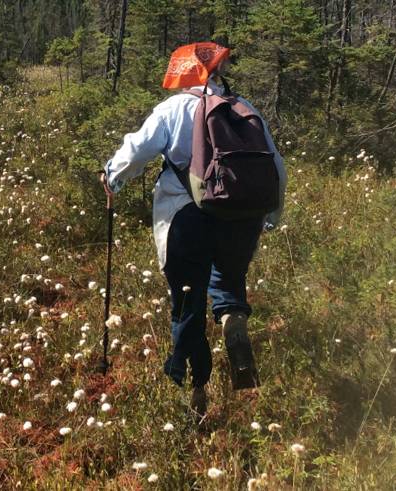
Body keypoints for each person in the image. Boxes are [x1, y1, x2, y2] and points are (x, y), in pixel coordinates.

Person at [101, 41, 286, 418]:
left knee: (187, 302)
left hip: (186, 217)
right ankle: (233, 317)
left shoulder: (174, 109)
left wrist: (112, 177)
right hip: (241, 218)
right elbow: (276, 166)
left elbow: (137, 151)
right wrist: (271, 215)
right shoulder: (245, 109)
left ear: (183, 74)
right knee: (228, 278)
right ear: (217, 72)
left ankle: (193, 391)